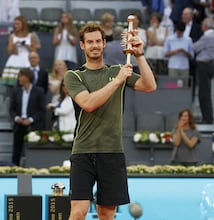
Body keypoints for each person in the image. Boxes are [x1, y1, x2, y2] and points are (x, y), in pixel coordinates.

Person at [64, 23, 156, 219]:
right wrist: (117, 81)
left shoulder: (117, 70)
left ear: (104, 43)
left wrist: (139, 54)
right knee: (78, 211)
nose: (94, 45)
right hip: (83, 151)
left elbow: (150, 86)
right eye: (90, 42)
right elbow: (88, 103)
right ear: (82, 45)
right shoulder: (73, 76)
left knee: (107, 213)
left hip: (112, 152)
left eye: (98, 41)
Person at [9, 68, 46, 166]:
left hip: (33, 126)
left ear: (28, 77)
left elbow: (42, 110)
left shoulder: (39, 91)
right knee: (16, 151)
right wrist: (17, 118)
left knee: (33, 150)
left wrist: (31, 120)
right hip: (19, 125)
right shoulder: (16, 91)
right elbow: (11, 109)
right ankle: (14, 170)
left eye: (21, 76)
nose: (19, 78)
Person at [193, 17, 214, 124]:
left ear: (206, 26)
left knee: (204, 94)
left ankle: (207, 118)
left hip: (204, 65)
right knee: (205, 92)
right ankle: (207, 117)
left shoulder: (208, 36)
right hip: (209, 65)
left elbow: (195, 47)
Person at [1, 16, 38, 87]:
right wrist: (14, 45)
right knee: (13, 85)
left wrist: (27, 46)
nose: (16, 26)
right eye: (15, 24)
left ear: (23, 24)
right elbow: (9, 51)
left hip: (27, 59)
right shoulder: (12, 36)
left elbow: (34, 51)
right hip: (15, 59)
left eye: (18, 24)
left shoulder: (31, 36)